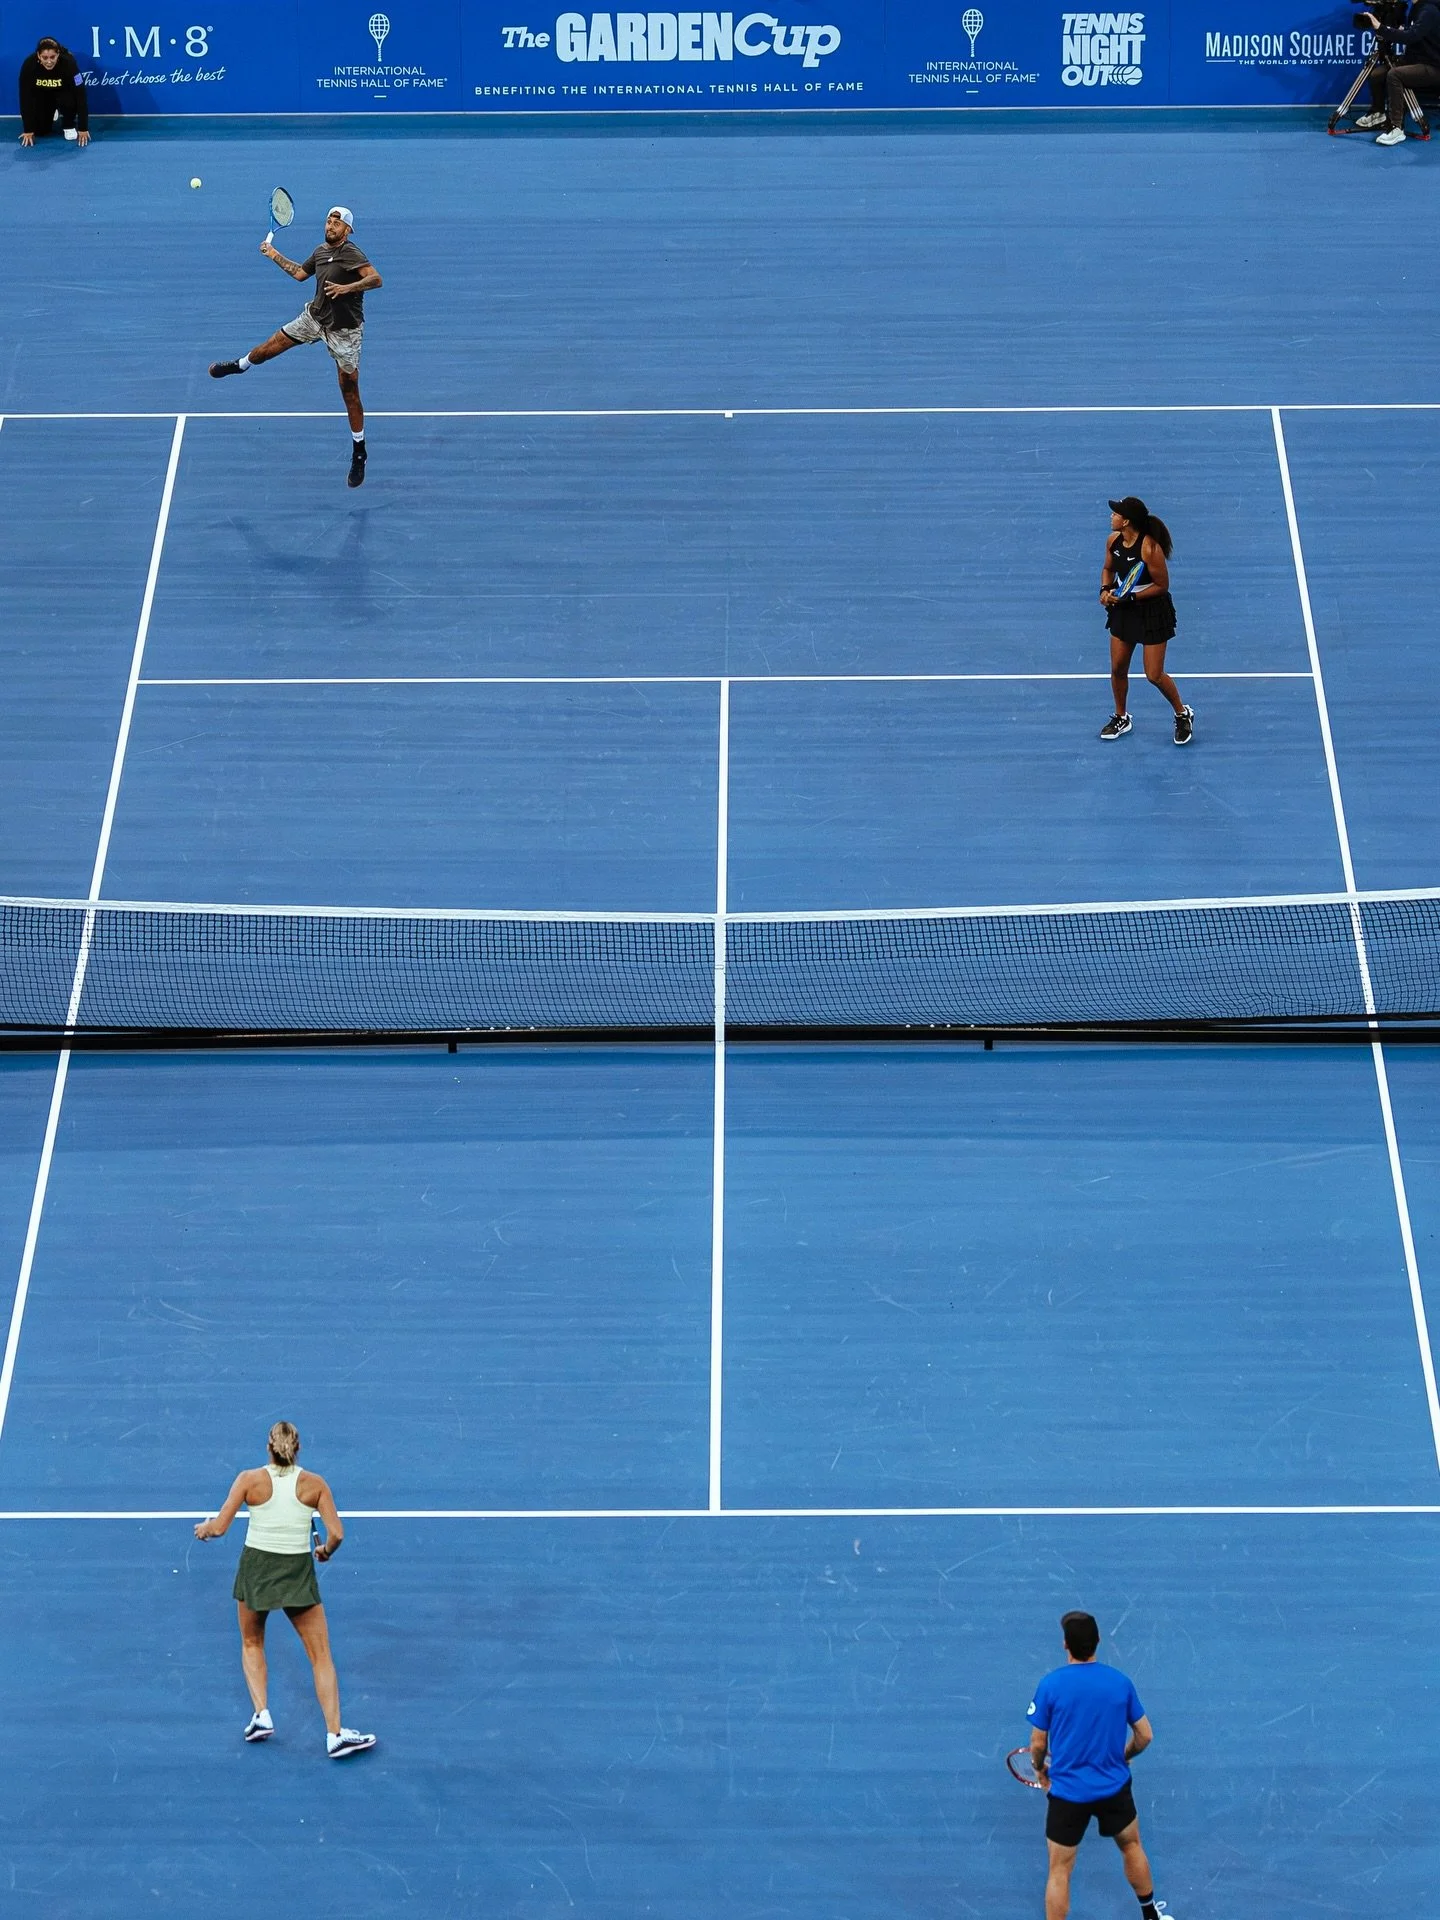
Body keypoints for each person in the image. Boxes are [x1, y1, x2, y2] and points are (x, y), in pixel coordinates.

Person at [194, 1420, 376, 1758]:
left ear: (269, 1448)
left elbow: (220, 1527)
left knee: (251, 1641)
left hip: (257, 1571)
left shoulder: (248, 1480)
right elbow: (336, 1534)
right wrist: (325, 1551)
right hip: (296, 1573)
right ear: (298, 1449)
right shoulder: (314, 1484)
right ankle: (335, 1735)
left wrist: (203, 1530)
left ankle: (261, 1714)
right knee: (321, 1656)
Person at [209, 206, 381, 488]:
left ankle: (359, 451)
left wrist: (346, 289)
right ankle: (241, 365)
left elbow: (376, 279)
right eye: (328, 221)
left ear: (348, 230)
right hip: (314, 318)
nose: (330, 225)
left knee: (349, 389)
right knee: (270, 347)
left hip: (344, 332)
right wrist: (274, 254)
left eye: (337, 223)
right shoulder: (320, 251)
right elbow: (301, 274)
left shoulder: (352, 253)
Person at [1026, 1611, 1170, 1920]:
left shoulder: (1050, 1685)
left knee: (1059, 1869)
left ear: (1066, 1644)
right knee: (1131, 1846)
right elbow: (1145, 1736)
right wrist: (1124, 1755)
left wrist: (1040, 1769)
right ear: (1098, 1642)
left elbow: (1038, 1744)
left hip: (1067, 1794)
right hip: (1113, 1787)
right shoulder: (1120, 1682)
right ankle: (1151, 1916)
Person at [1098, 496, 1192, 745]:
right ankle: (1121, 717)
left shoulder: (1149, 548)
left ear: (1126, 520)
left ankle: (1182, 714)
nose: (1111, 516)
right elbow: (1108, 568)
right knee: (1118, 668)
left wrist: (1130, 597)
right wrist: (1105, 590)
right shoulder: (1112, 541)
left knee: (1154, 674)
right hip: (1124, 608)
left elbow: (1162, 585)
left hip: (1151, 611)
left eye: (1116, 513)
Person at [1355, 1, 1440, 141]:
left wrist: (1381, 28)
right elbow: (1413, 34)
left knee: (1395, 75)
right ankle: (1378, 112)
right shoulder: (1416, 8)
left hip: (1433, 67)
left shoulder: (1428, 10)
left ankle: (1396, 128)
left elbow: (1412, 36)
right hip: (1415, 60)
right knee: (1377, 74)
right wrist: (1401, 30)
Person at [18, 38, 89, 146]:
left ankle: (68, 124)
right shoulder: (29, 65)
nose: (49, 61)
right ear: (38, 55)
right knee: (41, 132)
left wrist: (83, 128)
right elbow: (25, 98)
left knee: (69, 100)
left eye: (52, 57)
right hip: (42, 97)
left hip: (64, 96)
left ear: (58, 54)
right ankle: (51, 111)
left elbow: (80, 95)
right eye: (44, 57)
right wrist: (28, 129)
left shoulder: (69, 63)